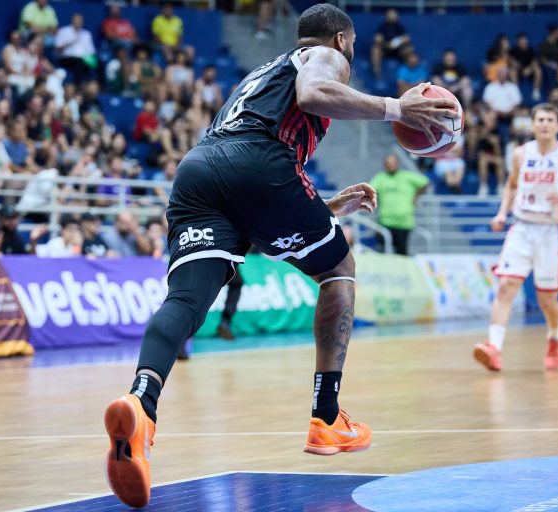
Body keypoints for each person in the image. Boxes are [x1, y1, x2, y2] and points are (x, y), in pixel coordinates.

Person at [102, 4, 457, 508]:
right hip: (258, 163)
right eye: (352, 45)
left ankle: (141, 405)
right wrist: (397, 109)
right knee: (338, 269)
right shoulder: (323, 57)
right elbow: (312, 97)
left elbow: (256, 212)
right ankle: (327, 417)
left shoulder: (261, 73)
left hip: (200, 171)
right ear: (340, 39)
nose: (350, 54)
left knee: (186, 300)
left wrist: (323, 208)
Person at [474, 103, 558, 372]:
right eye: (540, 119)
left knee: (546, 300)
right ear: (532, 125)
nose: (544, 124)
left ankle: (555, 336)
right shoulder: (521, 154)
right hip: (522, 226)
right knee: (506, 286)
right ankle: (494, 347)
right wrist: (502, 213)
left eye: (550, 120)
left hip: (552, 231)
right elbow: (512, 186)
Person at [369, 154, 429, 255]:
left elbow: (425, 182)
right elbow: (370, 189)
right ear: (384, 165)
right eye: (388, 163)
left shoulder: (407, 176)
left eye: (393, 163)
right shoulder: (380, 178)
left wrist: (416, 197)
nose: (391, 165)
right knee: (383, 250)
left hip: (404, 222)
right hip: (386, 221)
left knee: (401, 253)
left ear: (398, 164)